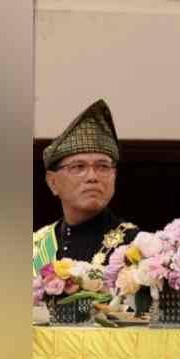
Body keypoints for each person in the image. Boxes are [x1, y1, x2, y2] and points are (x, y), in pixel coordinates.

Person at [33, 100, 137, 275]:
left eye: (103, 167)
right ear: (52, 182)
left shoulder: (136, 246)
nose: (92, 177)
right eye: (78, 167)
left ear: (114, 176)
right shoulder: (36, 246)